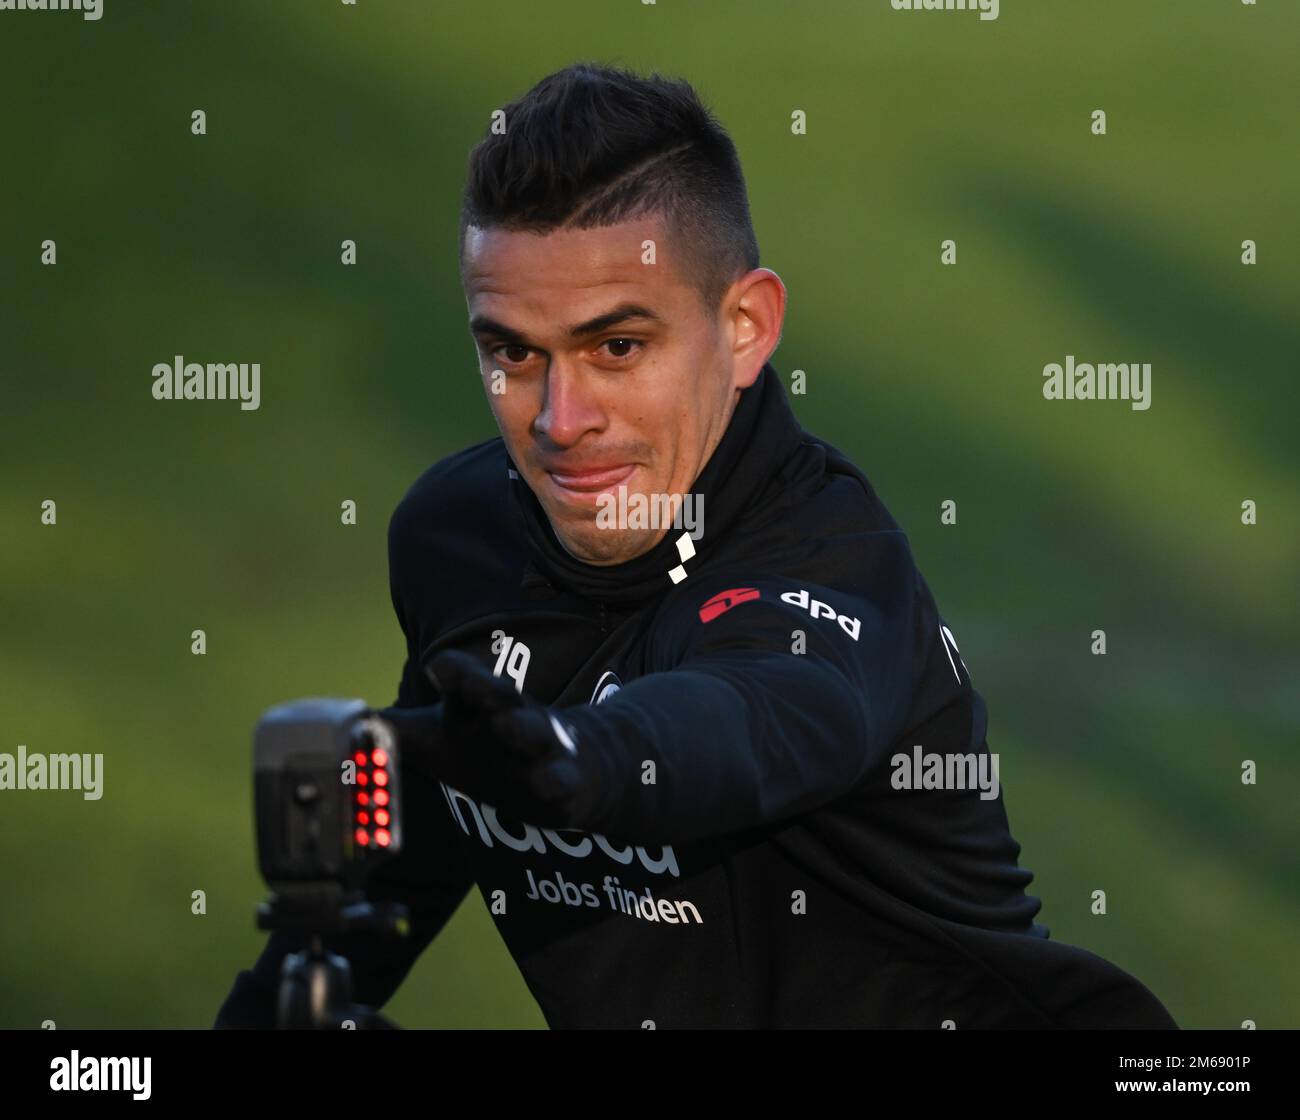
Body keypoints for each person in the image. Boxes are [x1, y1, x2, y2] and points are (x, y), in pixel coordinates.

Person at [215, 61, 1177, 1029]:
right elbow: (419, 839)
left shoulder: (832, 558)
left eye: (616, 348)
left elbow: (751, 714)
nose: (560, 419)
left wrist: (587, 755)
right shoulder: (456, 540)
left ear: (745, 327)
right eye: (512, 351)